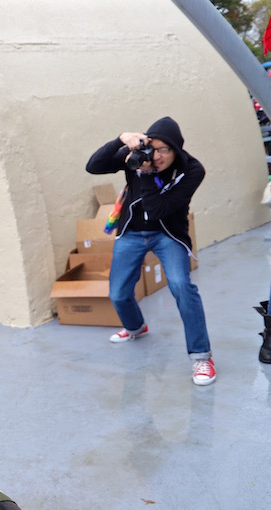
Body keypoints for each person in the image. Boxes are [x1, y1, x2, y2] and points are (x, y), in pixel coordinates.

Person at [86, 116, 214, 386]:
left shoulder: (191, 170)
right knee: (119, 294)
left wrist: (144, 174)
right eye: (151, 148)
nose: (155, 157)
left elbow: (157, 210)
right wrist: (121, 139)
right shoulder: (138, 155)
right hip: (131, 231)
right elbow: (93, 166)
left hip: (167, 234)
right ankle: (136, 327)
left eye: (163, 150)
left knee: (181, 285)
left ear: (175, 149)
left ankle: (201, 356)